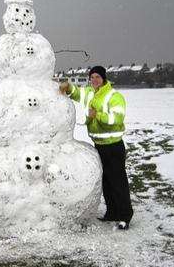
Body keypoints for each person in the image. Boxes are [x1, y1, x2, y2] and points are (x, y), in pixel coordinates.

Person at [60, 66, 133, 230]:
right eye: (92, 77)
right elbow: (77, 93)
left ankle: (125, 216)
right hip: (99, 145)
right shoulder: (90, 92)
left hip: (113, 146)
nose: (94, 80)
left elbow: (117, 117)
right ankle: (112, 213)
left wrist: (98, 115)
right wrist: (67, 87)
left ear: (104, 78)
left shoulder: (114, 96)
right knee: (106, 181)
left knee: (118, 182)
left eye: (97, 77)